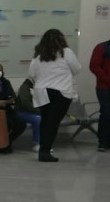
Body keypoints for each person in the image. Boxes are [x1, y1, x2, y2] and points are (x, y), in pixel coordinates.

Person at [28, 29, 81, 162]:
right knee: (53, 123)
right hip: (60, 92)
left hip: (41, 91)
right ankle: (45, 152)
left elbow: (31, 74)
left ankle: (43, 150)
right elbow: (77, 69)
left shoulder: (39, 55)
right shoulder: (66, 52)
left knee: (45, 121)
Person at [0, 61, 27, 153]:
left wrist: (10, 100)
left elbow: (13, 96)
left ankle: (7, 141)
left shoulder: (5, 82)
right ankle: (1, 144)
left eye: (0, 70)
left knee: (21, 123)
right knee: (6, 124)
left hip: (7, 109)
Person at [89, 37, 110, 151]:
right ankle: (103, 142)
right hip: (105, 88)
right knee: (106, 113)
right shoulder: (102, 47)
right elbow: (94, 66)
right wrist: (106, 78)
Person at [16, 77, 41, 152]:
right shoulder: (25, 87)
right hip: (21, 112)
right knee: (37, 119)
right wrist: (39, 111)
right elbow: (25, 104)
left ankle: (45, 143)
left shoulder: (38, 87)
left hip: (33, 111)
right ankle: (37, 144)